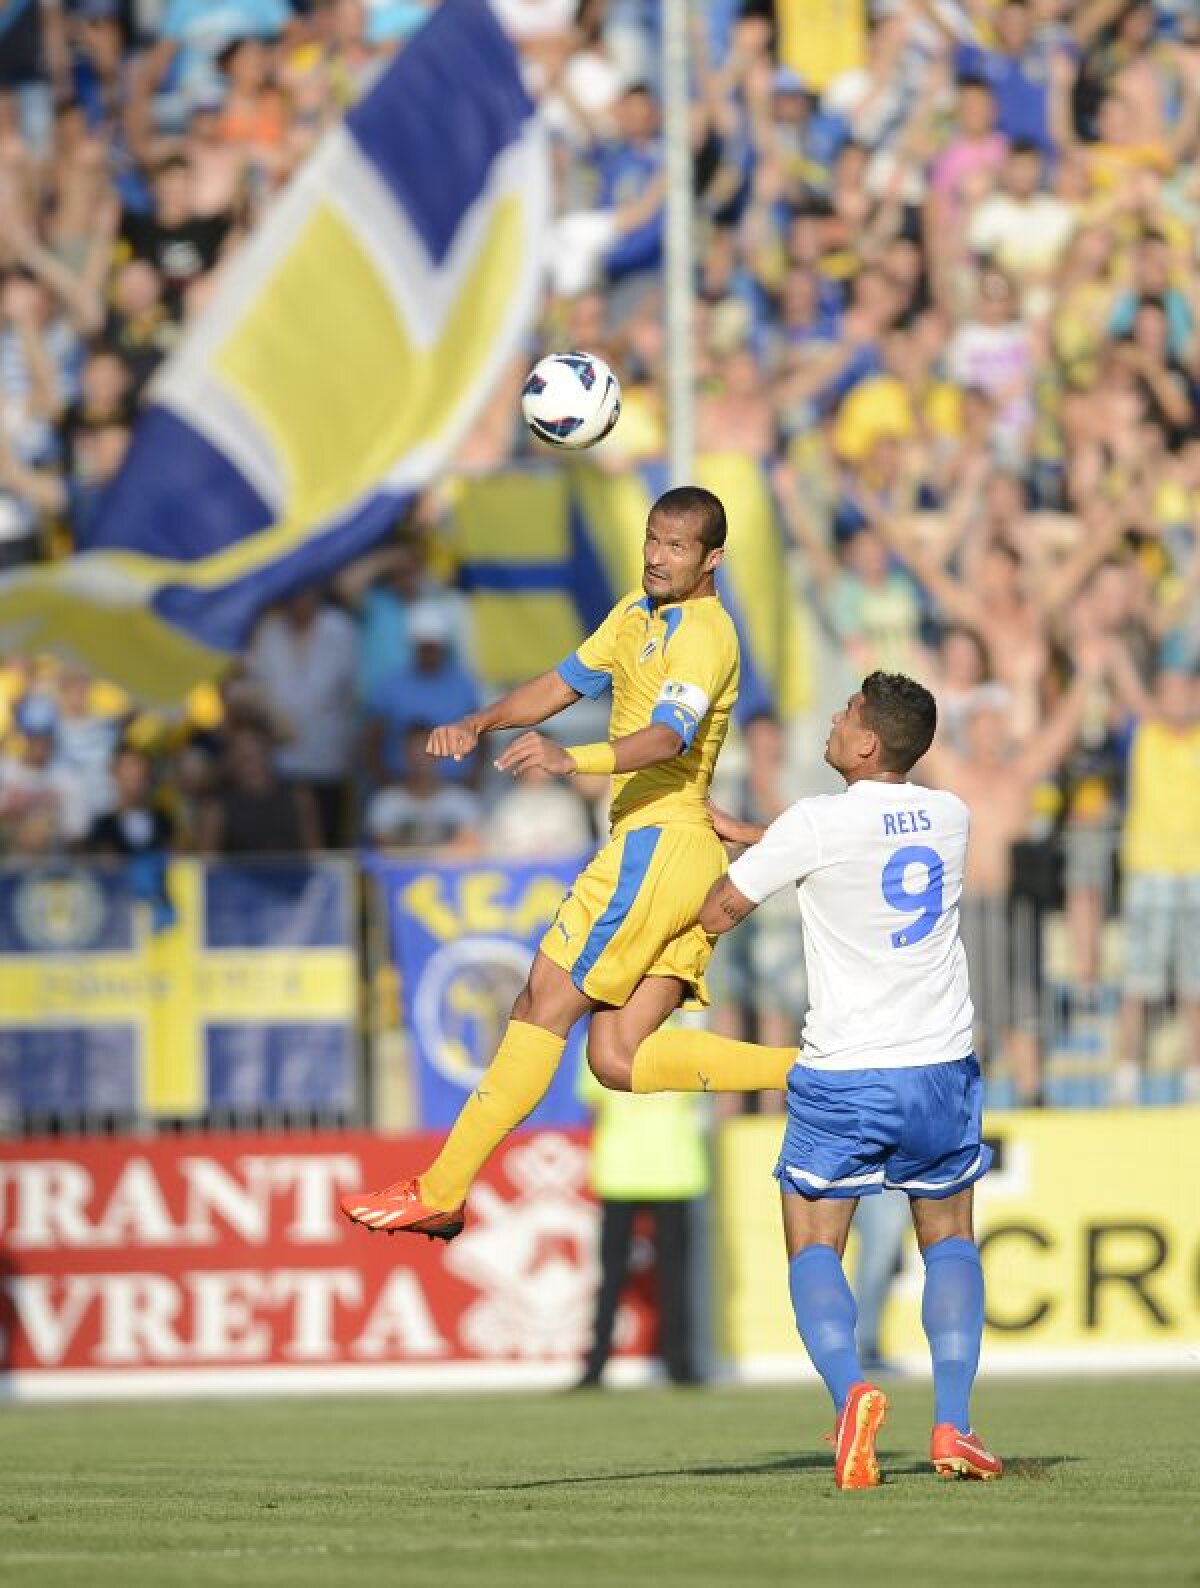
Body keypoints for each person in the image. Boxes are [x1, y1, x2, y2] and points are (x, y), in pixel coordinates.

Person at [340, 486, 789, 1239]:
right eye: (652, 539)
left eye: (677, 547)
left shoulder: (705, 635)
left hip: (653, 848)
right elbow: (558, 685)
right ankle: (810, 1073)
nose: (656, 555)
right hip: (678, 843)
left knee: (539, 1001)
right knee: (614, 1057)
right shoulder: (633, 614)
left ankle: (443, 1188)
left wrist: (568, 757)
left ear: (713, 560)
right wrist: (480, 719)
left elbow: (668, 740)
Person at [631, 673, 1002, 1489]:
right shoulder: (951, 815)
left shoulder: (814, 823)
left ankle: (851, 1396)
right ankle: (955, 1425)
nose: (832, 722)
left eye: (846, 715)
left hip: (847, 1073)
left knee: (812, 1243)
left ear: (867, 743)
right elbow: (861, 853)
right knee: (948, 1241)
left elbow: (724, 909)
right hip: (941, 1066)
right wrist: (769, 837)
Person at [575, 1056, 708, 1389]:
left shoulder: (600, 1035)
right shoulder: (680, 1038)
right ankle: (680, 1365)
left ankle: (596, 1365)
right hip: (673, 1166)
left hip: (623, 1166)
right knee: (674, 1276)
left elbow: (594, 1105)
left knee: (612, 1275)